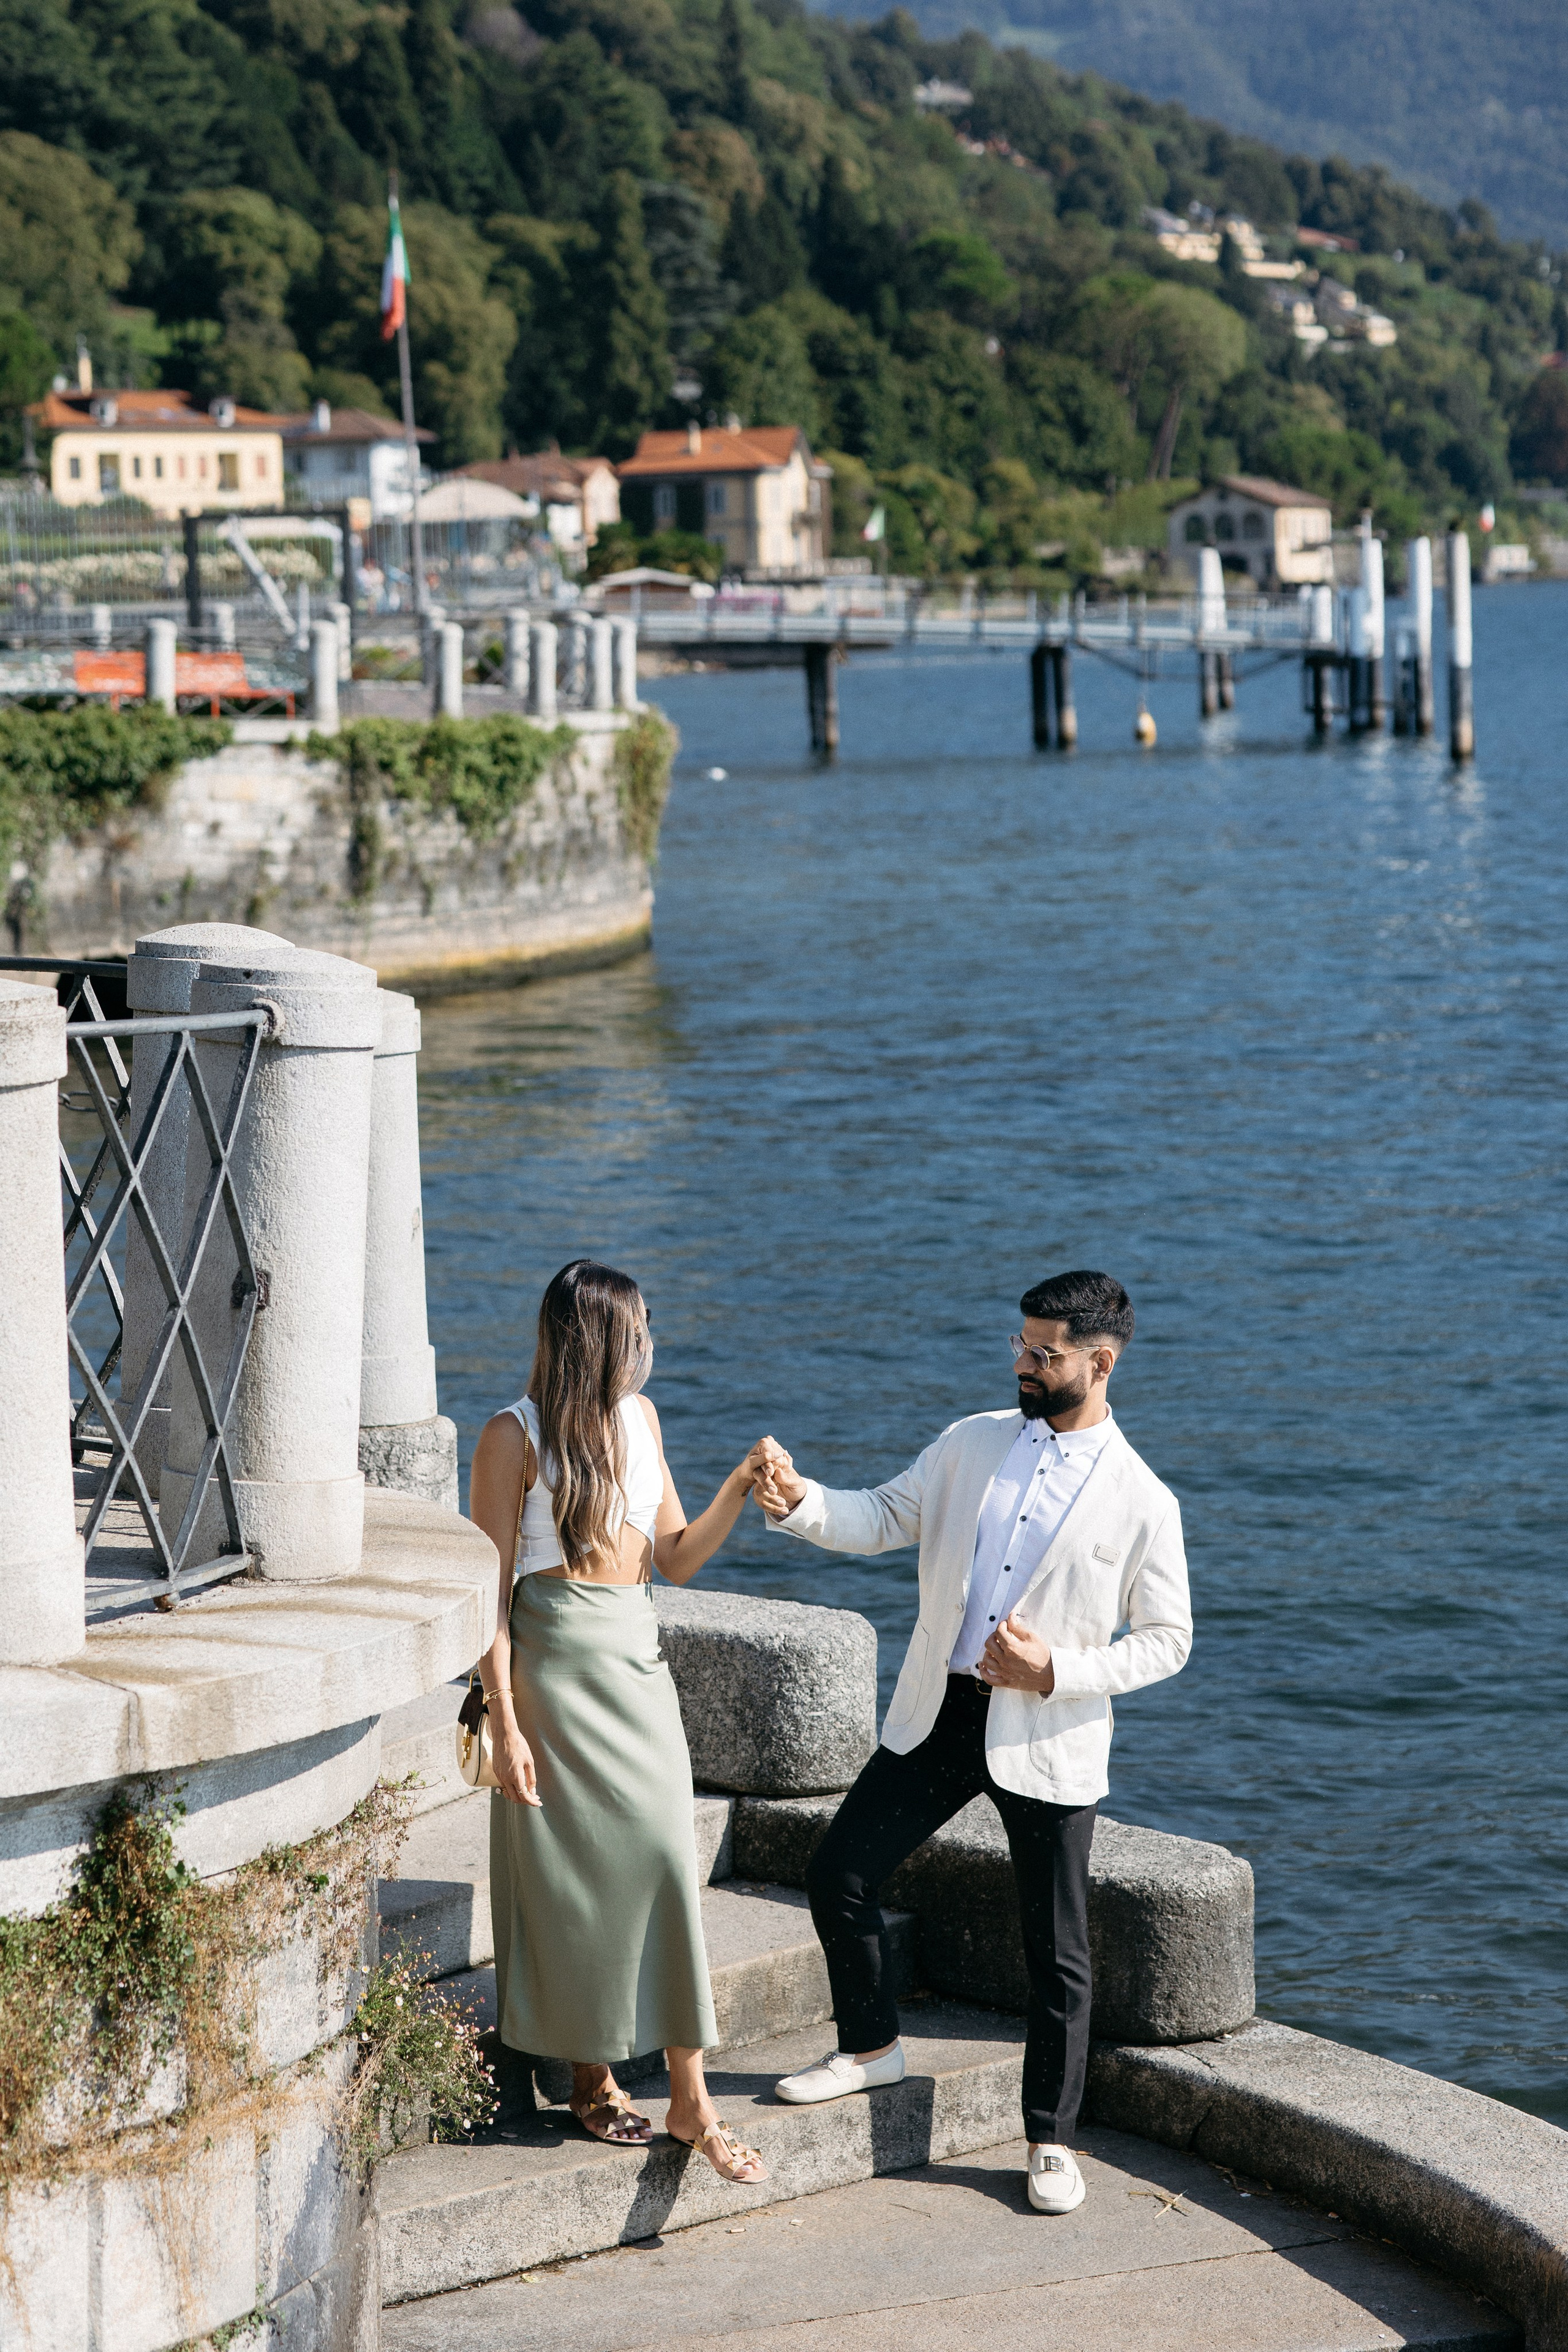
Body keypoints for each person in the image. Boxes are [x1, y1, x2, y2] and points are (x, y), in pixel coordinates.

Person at [752, 1269, 1191, 2216]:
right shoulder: (971, 1443)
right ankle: (871, 2049)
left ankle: (1051, 2140)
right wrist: (799, 1501)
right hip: (941, 1710)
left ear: (1100, 1362)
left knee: (1057, 1949)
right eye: (1020, 1347)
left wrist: (1059, 1670)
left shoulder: (1144, 1499)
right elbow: (883, 1515)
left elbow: (1169, 1640)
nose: (1025, 1365)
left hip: (1047, 1726)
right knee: (841, 1873)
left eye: (1046, 1353)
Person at [468, 1257, 771, 2185]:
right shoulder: (510, 1438)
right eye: (638, 1331)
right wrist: (509, 1725)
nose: (649, 1345)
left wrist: (739, 1486)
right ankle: (592, 2074)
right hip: (552, 1673)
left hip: (635, 1667)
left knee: (663, 1861)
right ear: (600, 1341)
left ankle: (688, 2093)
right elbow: (486, 1599)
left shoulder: (642, 1421)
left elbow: (674, 1559)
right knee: (570, 1878)